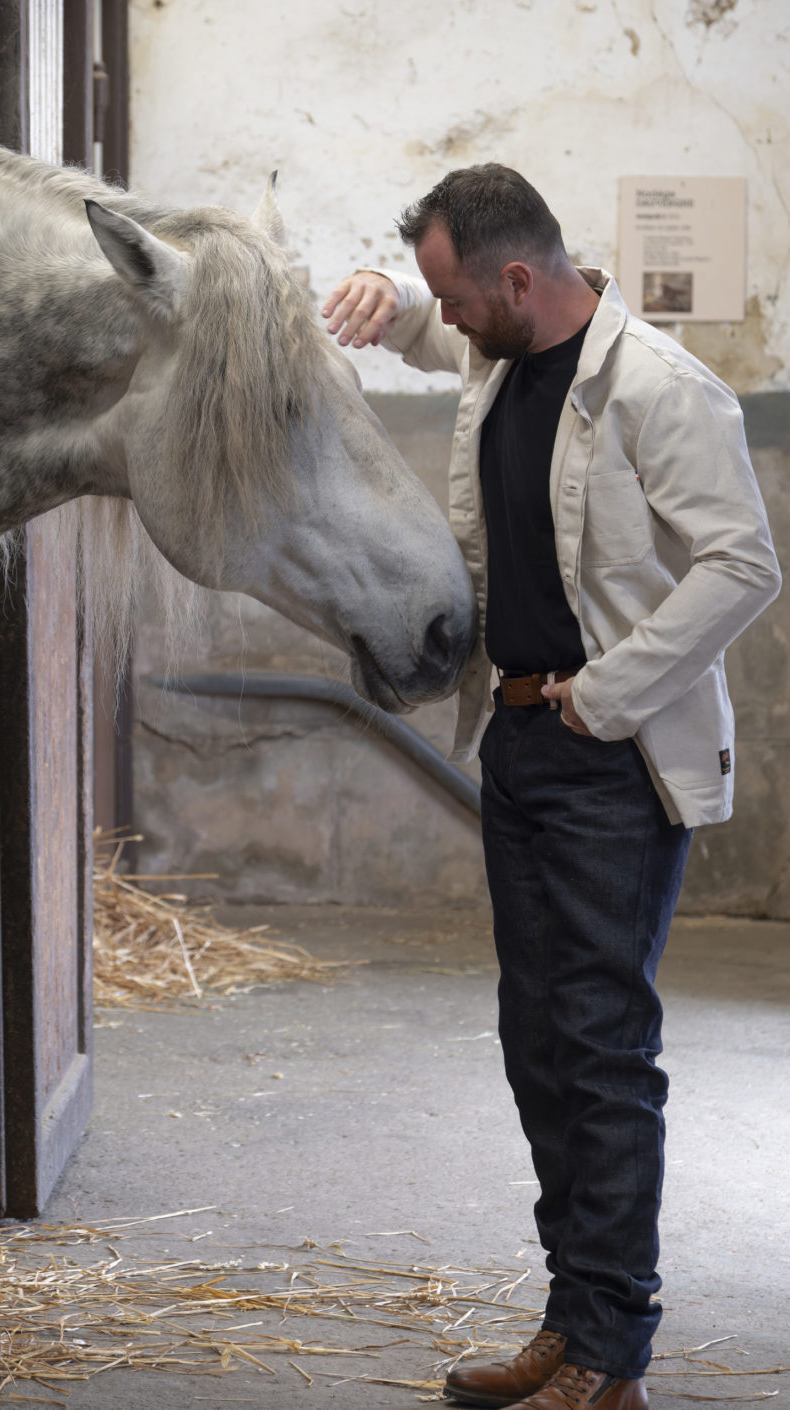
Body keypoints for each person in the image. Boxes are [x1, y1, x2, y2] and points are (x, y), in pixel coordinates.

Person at [321, 165, 781, 1410]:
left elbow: (743, 564)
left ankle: (610, 1356)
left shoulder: (659, 390)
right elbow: (427, 327)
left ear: (517, 280)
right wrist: (379, 293)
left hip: (610, 758)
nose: (444, 321)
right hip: (518, 743)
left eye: (453, 298)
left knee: (600, 1050)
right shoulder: (503, 355)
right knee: (540, 1046)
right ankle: (569, 1322)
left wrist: (606, 693)